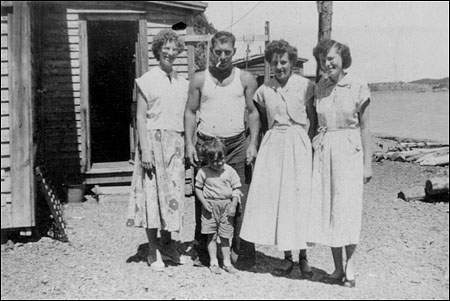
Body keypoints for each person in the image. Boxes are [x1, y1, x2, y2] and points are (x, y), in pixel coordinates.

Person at [239, 40, 315, 277]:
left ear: (292, 62)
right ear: (270, 65)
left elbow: (312, 119)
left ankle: (303, 256)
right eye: (275, 63)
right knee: (281, 199)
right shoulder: (264, 90)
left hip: (298, 142)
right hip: (274, 145)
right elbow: (259, 120)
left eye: (284, 62)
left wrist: (306, 143)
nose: (280, 67)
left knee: (299, 198)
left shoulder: (305, 86)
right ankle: (286, 257)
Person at [184, 31, 260, 268]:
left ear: (234, 52)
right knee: (204, 197)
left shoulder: (246, 78)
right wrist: (188, 143)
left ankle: (241, 252)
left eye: (228, 52)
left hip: (236, 144)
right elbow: (190, 112)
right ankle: (203, 251)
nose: (223, 56)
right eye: (218, 51)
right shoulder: (198, 79)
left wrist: (253, 143)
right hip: (207, 144)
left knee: (238, 196)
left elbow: (254, 112)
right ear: (211, 52)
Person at [309, 39, 372, 287]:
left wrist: (368, 164)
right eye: (324, 59)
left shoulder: (357, 85)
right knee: (328, 207)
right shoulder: (319, 88)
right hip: (325, 150)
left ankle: (351, 264)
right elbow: (315, 124)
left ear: (343, 58)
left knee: (348, 208)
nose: (328, 63)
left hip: (349, 151)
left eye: (332, 58)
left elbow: (366, 128)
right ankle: (336, 267)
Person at [126, 29, 189, 271]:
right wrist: (145, 151)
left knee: (172, 198)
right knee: (152, 197)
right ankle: (153, 250)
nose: (170, 53)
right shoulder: (147, 80)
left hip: (175, 145)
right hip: (153, 143)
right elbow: (140, 118)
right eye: (166, 48)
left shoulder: (182, 82)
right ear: (158, 50)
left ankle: (169, 244)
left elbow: (186, 115)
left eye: (174, 49)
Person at [195, 139, 242, 274]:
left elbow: (236, 189)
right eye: (214, 162)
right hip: (209, 206)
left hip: (226, 206)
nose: (218, 164)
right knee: (212, 236)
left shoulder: (230, 171)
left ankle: (227, 263)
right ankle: (213, 262)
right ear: (207, 160)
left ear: (224, 156)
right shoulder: (203, 172)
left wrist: (233, 205)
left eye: (221, 159)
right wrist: (204, 203)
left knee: (226, 236)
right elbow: (198, 188)